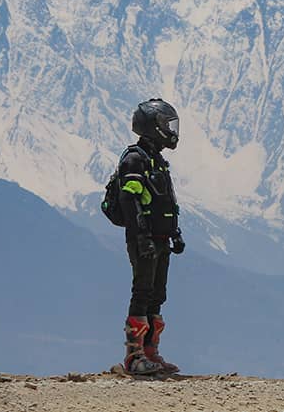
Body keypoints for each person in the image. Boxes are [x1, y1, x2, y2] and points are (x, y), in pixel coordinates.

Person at [117, 97, 185, 375]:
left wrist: (175, 233)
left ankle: (151, 353)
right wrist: (141, 236)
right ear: (153, 127)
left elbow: (165, 200)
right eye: (167, 125)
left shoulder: (157, 162)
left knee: (157, 296)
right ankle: (134, 357)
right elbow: (129, 199)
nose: (172, 131)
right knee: (142, 294)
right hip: (143, 240)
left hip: (161, 239)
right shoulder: (135, 159)